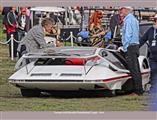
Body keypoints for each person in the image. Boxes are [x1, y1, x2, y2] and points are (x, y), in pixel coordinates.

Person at [120, 6, 143, 96]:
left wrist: (125, 47)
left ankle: (137, 91)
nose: (121, 13)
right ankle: (138, 89)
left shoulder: (128, 20)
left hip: (130, 46)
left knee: (133, 69)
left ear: (126, 10)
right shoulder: (134, 19)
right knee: (136, 69)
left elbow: (128, 34)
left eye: (122, 11)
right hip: (135, 46)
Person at [140, 14, 157, 93]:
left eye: (156, 20)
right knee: (153, 71)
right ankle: (154, 88)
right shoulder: (150, 30)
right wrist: (136, 47)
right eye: (154, 20)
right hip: (153, 57)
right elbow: (142, 40)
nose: (155, 22)